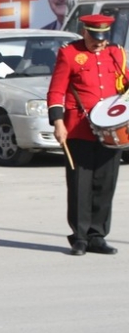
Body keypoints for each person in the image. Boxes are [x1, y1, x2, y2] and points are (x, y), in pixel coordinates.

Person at [46, 14, 125, 256]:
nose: (100, 43)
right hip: (79, 128)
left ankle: (97, 235)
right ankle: (79, 237)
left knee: (105, 183)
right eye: (95, 37)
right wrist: (58, 122)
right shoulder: (69, 53)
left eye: (104, 38)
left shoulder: (116, 54)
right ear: (85, 31)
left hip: (111, 130)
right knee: (80, 184)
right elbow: (56, 90)